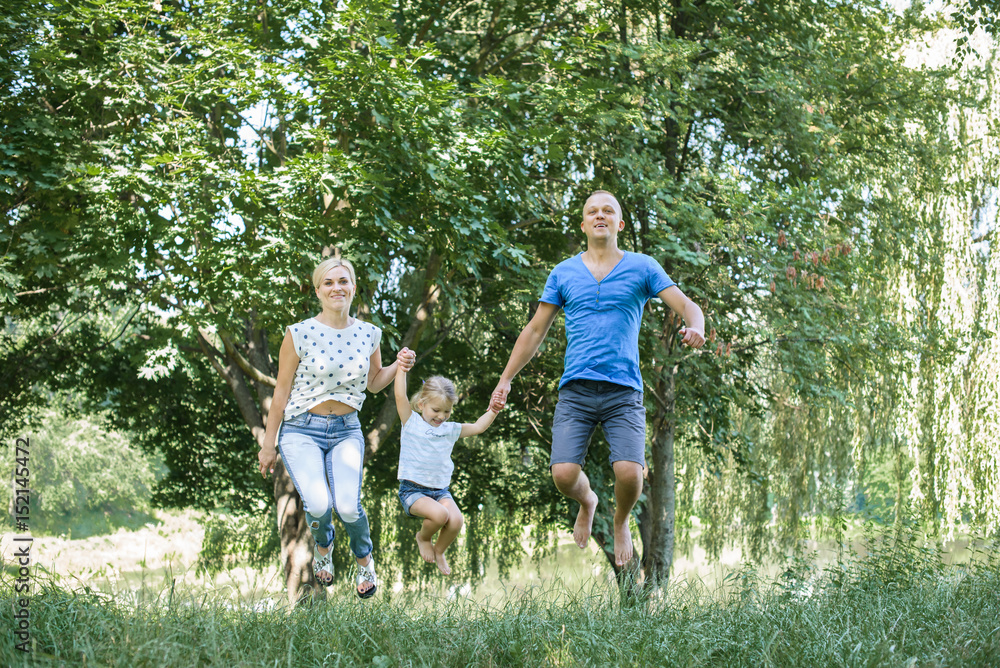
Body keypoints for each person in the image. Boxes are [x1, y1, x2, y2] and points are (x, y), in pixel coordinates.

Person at [490, 190, 706, 567]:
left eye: (609, 211)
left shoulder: (643, 267)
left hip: (623, 390)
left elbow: (687, 305)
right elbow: (535, 330)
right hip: (576, 390)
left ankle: (620, 520)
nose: (600, 215)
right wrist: (506, 378)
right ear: (584, 224)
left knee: (630, 473)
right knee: (563, 474)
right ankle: (587, 501)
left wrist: (696, 325)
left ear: (620, 224)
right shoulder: (564, 272)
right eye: (593, 211)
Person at [257, 257, 416, 598]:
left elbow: (374, 383)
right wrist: (268, 445)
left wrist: (397, 365)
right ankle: (324, 550)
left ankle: (364, 560)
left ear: (353, 287)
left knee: (346, 506)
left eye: (343, 281)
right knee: (318, 505)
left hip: (346, 429)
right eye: (328, 283)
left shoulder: (369, 333)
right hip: (301, 429)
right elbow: (281, 391)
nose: (336, 288)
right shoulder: (298, 333)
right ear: (317, 291)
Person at [394, 364, 498, 575]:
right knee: (440, 515)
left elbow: (478, 427)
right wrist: (401, 368)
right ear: (422, 404)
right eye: (436, 410)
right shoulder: (410, 422)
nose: (441, 416)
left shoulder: (450, 429)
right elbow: (399, 395)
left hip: (440, 491)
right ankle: (423, 538)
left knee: (456, 521)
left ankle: (440, 550)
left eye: (447, 411)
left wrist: (494, 410)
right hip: (412, 491)